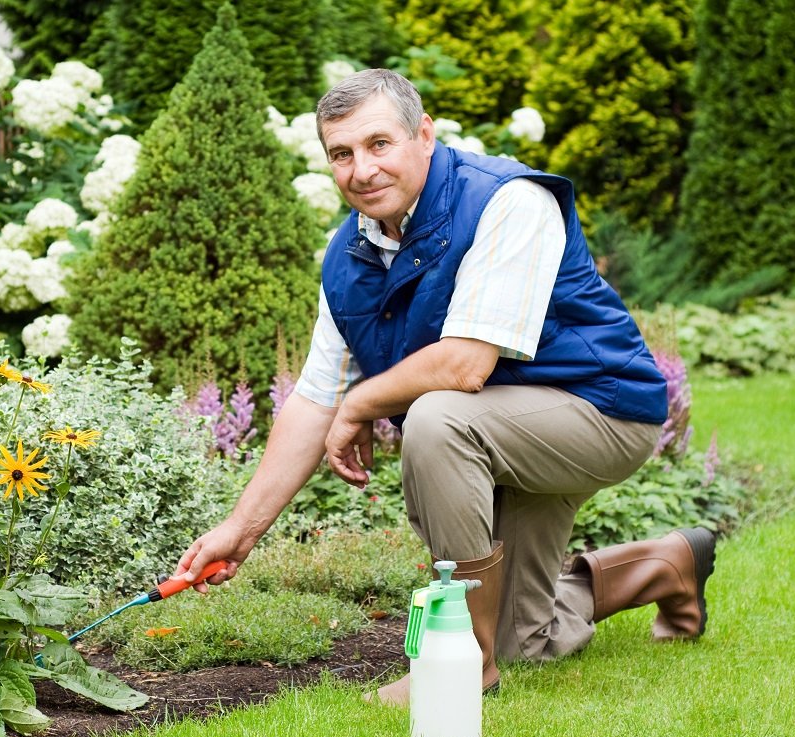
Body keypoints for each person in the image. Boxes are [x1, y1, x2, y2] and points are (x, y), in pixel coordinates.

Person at [173, 68, 717, 704]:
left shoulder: (507, 200)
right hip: (503, 429)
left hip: (601, 412)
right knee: (526, 637)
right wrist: (240, 529)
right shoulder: (348, 254)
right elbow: (315, 399)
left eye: (380, 144)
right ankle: (665, 566)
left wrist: (363, 404)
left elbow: (464, 366)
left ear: (424, 135)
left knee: (435, 420)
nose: (362, 170)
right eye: (341, 154)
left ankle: (461, 662)